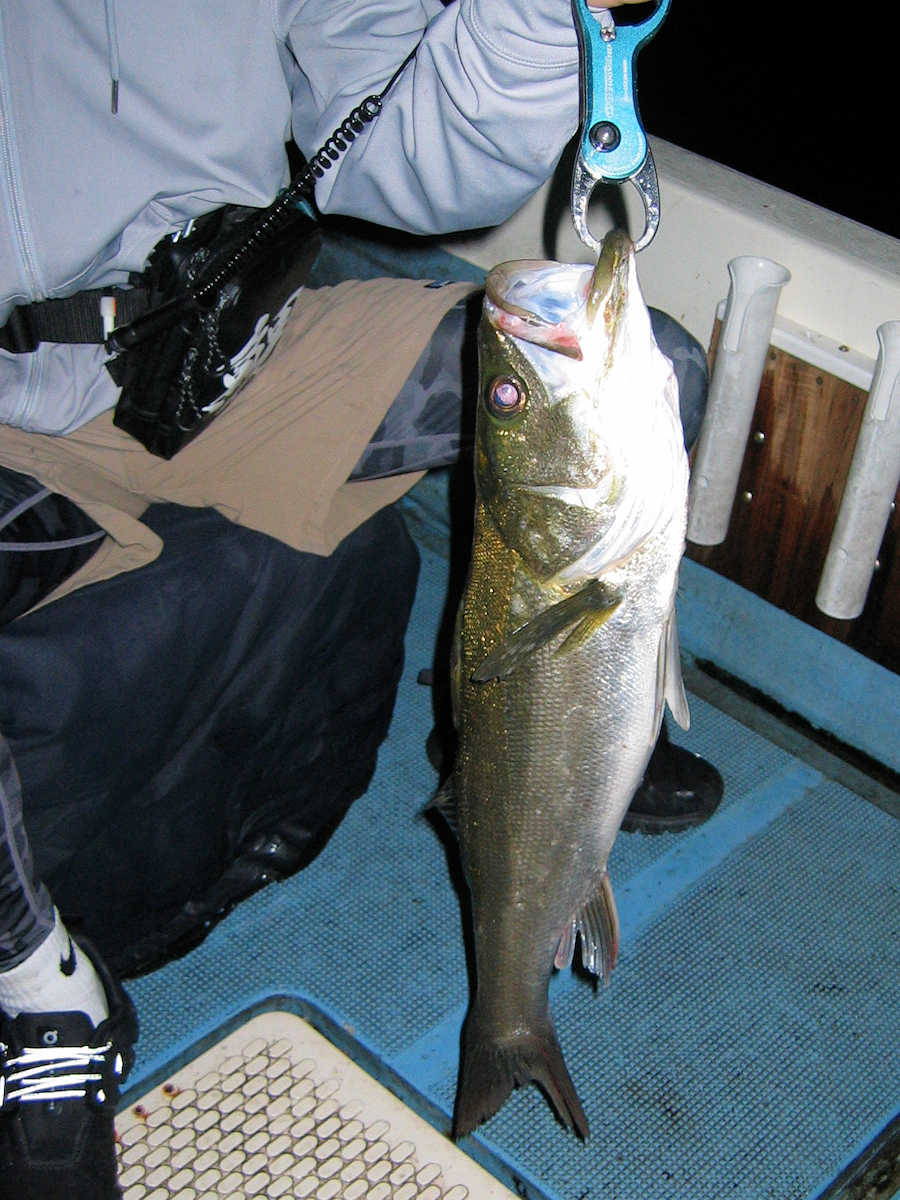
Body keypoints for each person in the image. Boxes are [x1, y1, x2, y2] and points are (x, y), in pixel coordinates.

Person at [0, 2, 721, 1195]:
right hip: (16, 406)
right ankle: (41, 999)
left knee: (655, 375)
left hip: (224, 346)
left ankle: (564, 763)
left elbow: (408, 143)